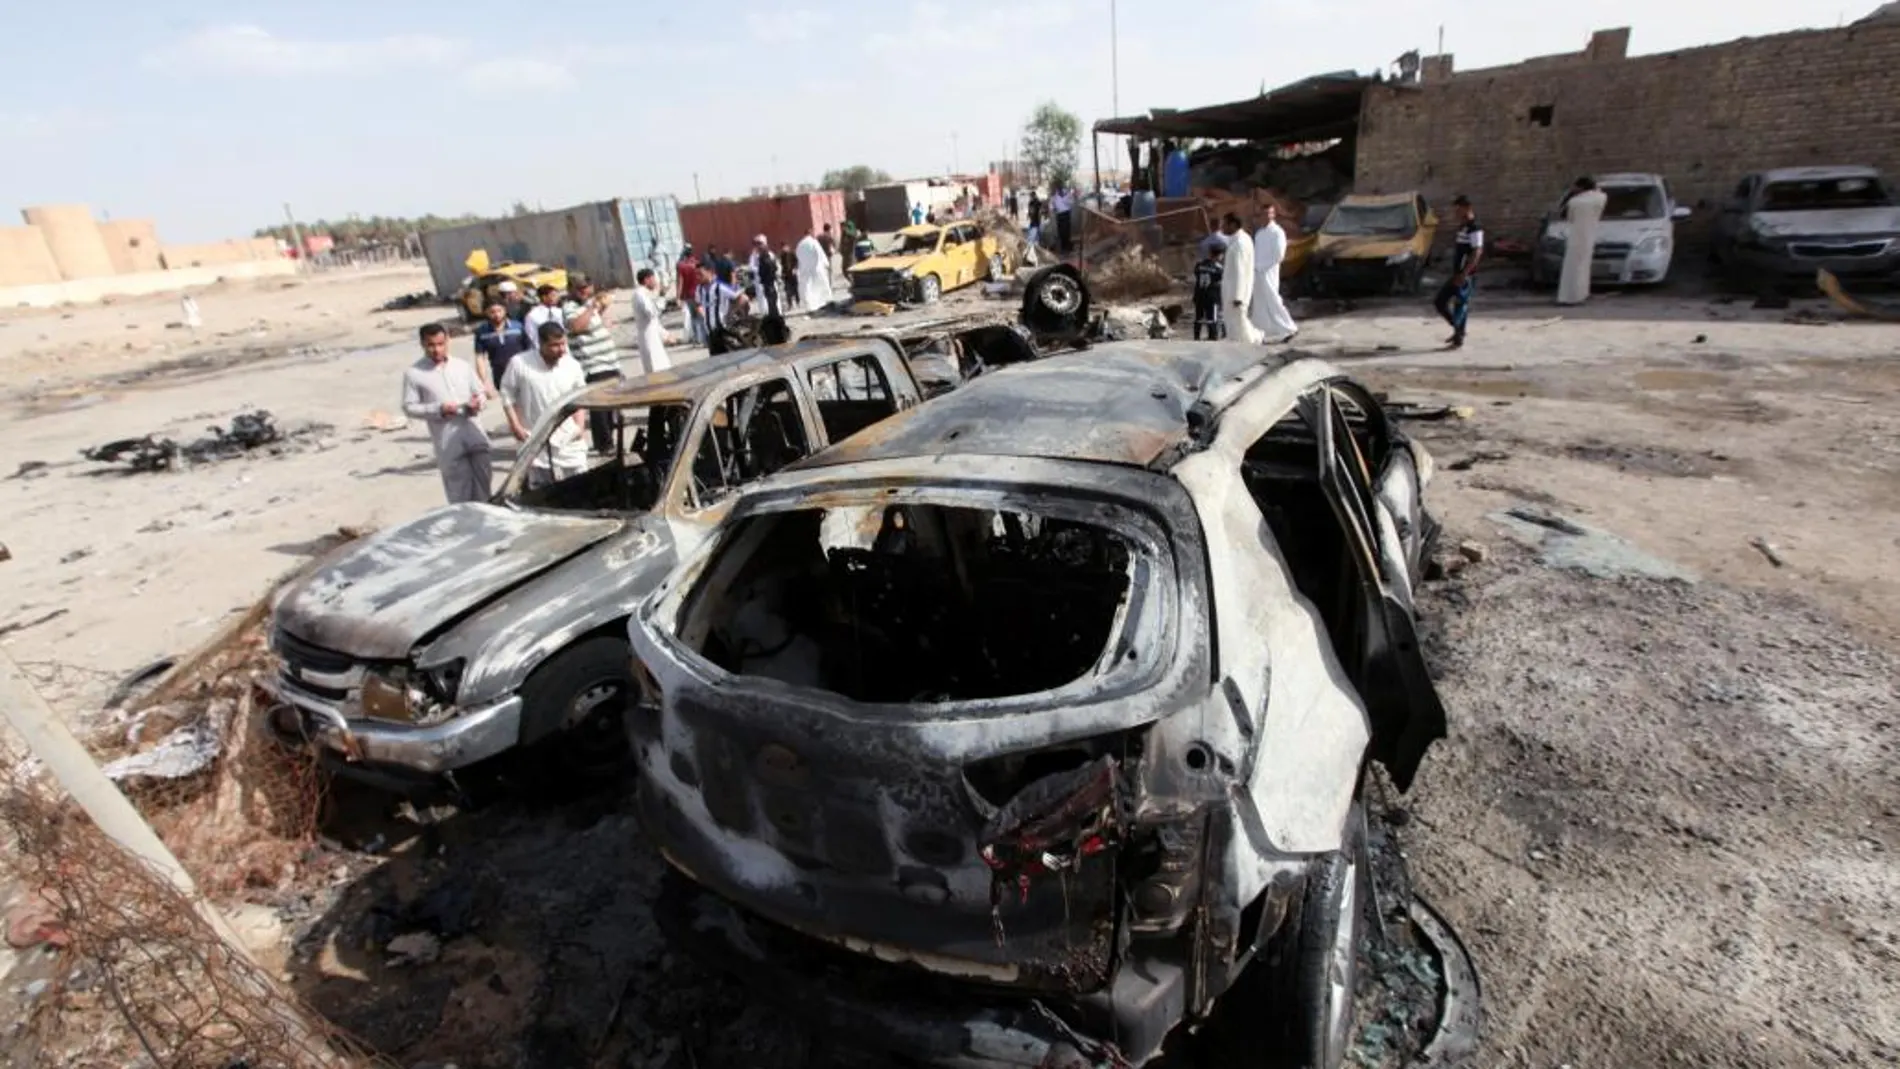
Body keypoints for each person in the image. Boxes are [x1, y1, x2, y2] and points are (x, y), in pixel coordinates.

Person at [402, 322, 492, 504]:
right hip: (448, 442)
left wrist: (478, 403)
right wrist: (438, 409)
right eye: (431, 345)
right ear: (422, 344)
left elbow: (480, 392)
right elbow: (409, 407)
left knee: (485, 488)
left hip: (475, 436)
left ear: (447, 341)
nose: (436, 350)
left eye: (440, 344)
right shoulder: (414, 373)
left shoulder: (462, 366)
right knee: (460, 494)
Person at [500, 321, 589, 487]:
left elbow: (580, 398)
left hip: (569, 437)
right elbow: (507, 395)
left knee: (581, 483)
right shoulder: (519, 364)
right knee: (542, 489)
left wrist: (580, 426)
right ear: (540, 343)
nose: (561, 349)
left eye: (563, 343)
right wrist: (516, 426)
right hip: (535, 437)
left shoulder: (572, 366)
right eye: (554, 345)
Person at [560, 277, 622, 453]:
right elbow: (577, 326)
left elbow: (599, 324)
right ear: (571, 289)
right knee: (599, 406)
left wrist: (601, 309)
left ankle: (610, 440)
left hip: (608, 362)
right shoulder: (570, 307)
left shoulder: (588, 305)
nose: (585, 292)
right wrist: (592, 307)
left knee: (611, 404)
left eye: (587, 288)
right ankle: (604, 443)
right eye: (580, 289)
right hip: (593, 364)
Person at [1435, 195, 1484, 349]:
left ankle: (1458, 336)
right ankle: (1458, 332)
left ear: (1467, 208)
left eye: (1458, 209)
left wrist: (1464, 274)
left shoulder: (1475, 228)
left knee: (1459, 305)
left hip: (1465, 275)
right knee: (1441, 302)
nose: (1455, 213)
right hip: (1457, 273)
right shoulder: (1462, 227)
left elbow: (1477, 252)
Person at [1250, 205, 1299, 344]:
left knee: (1273, 300)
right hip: (1257, 271)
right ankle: (1260, 332)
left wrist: (1263, 266)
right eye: (1263, 214)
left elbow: (1279, 255)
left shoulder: (1277, 232)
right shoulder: (1260, 233)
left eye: (1268, 214)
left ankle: (1290, 328)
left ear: (1273, 215)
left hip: (1268, 271)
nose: (1265, 216)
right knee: (1259, 303)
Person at [1557, 176, 1607, 306]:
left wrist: (1571, 193)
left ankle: (1569, 296)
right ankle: (1582, 293)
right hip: (1590, 234)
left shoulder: (1575, 201)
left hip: (1576, 236)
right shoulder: (1601, 197)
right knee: (1584, 266)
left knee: (1572, 268)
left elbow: (1568, 216)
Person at [471, 298, 533, 397]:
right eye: (492, 312)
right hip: (501, 377)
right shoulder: (481, 332)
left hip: (523, 373)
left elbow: (530, 350)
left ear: (505, 310)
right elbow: (480, 358)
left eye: (499, 311)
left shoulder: (518, 327)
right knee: (511, 406)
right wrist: (485, 383)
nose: (496, 315)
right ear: (486, 312)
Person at [1219, 213, 1263, 344]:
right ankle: (1250, 341)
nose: (1222, 227)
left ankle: (1252, 341)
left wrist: (1238, 296)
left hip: (1236, 294)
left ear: (1233, 225)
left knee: (1238, 324)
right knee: (1237, 323)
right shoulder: (1239, 240)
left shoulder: (1239, 244)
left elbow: (1240, 272)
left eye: (1224, 224)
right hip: (1233, 291)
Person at [696, 261, 751, 355]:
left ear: (710, 272)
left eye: (700, 274)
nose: (698, 277)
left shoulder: (720, 287)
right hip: (711, 334)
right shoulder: (699, 289)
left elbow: (743, 298)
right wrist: (703, 314)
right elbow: (698, 304)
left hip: (723, 332)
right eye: (696, 274)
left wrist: (730, 313)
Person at [630, 268, 674, 376]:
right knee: (656, 369)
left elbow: (654, 321)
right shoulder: (639, 294)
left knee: (663, 368)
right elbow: (651, 312)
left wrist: (665, 334)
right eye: (654, 278)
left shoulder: (645, 294)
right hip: (648, 338)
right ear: (647, 280)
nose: (656, 282)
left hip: (654, 336)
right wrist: (662, 297)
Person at [1192, 240, 1226, 341]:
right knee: (1212, 319)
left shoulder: (1199, 265)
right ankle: (1213, 337)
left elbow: (1197, 275)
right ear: (1220, 255)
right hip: (1212, 297)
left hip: (1199, 295)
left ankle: (1196, 337)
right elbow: (1221, 281)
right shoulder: (1219, 269)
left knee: (1198, 318)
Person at [796, 227, 834, 309]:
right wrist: (826, 264)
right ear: (810, 233)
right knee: (822, 285)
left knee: (810, 288)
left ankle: (812, 305)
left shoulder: (800, 244)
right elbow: (820, 253)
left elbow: (798, 257)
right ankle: (826, 302)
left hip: (805, 270)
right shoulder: (813, 242)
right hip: (816, 268)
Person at [676, 244, 705, 345]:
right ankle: (703, 338)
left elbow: (680, 282)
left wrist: (678, 297)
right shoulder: (697, 263)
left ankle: (697, 339)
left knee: (693, 317)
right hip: (698, 293)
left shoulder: (681, 266)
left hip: (688, 295)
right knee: (701, 316)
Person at [749, 236, 783, 318]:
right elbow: (751, 267)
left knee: (773, 297)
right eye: (757, 244)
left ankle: (776, 313)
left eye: (760, 244)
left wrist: (777, 274)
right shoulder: (753, 256)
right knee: (762, 297)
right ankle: (765, 313)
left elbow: (776, 265)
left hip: (770, 278)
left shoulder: (769, 254)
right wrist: (759, 270)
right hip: (760, 279)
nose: (758, 246)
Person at [1051, 185, 1075, 253]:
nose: (1059, 191)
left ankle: (1068, 246)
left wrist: (1065, 198)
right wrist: (1053, 208)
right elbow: (1052, 206)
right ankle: (1063, 247)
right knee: (1061, 231)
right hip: (1060, 215)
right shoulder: (1055, 196)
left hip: (1066, 214)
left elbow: (1071, 202)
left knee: (1067, 231)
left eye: (1060, 189)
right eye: (1058, 190)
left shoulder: (1067, 194)